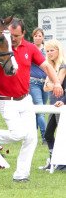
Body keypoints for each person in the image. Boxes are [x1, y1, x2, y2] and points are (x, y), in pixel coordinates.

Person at [0, 18, 63, 182]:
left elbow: (46, 66)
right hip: (6, 100)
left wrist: (56, 83)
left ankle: (21, 175)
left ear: (23, 33)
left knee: (31, 138)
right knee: (18, 134)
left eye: (16, 35)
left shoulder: (31, 48)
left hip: (25, 99)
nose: (13, 38)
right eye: (10, 34)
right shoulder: (0, 46)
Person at [39, 39, 66, 171]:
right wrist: (52, 84)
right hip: (53, 104)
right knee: (48, 134)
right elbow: (46, 88)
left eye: (52, 50)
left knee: (63, 134)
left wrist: (52, 84)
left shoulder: (63, 66)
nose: (49, 53)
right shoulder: (50, 67)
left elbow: (58, 85)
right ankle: (53, 160)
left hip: (62, 104)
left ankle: (62, 162)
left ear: (58, 50)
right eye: (47, 51)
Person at [29, 28, 48, 144]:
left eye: (40, 35)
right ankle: (45, 137)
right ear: (33, 37)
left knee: (38, 110)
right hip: (33, 82)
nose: (37, 37)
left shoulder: (47, 50)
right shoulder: (30, 49)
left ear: (43, 37)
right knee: (40, 109)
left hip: (45, 83)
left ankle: (33, 135)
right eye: (35, 35)